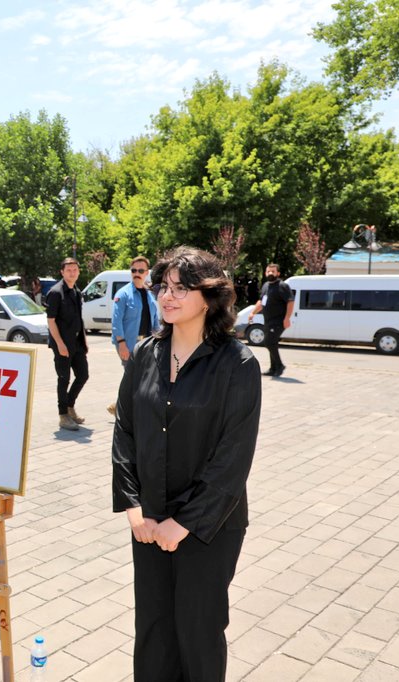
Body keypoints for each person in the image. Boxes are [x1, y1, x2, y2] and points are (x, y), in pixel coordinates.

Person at [112, 246, 261, 682]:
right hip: (149, 518)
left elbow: (234, 456)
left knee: (198, 632)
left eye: (181, 288)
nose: (167, 296)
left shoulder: (238, 364)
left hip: (210, 526)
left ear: (209, 297)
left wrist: (188, 522)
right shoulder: (144, 353)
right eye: (163, 287)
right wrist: (133, 505)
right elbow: (125, 429)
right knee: (153, 630)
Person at [108, 256, 160, 415]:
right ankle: (124, 408)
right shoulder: (123, 294)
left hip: (148, 343)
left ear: (146, 273)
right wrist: (121, 343)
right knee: (134, 376)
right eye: (133, 270)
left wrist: (159, 338)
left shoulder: (150, 295)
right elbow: (116, 321)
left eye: (140, 270)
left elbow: (155, 319)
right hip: (129, 344)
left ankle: (119, 405)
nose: (136, 273)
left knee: (141, 377)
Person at [45, 257, 89, 431]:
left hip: (77, 343)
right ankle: (63, 416)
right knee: (64, 379)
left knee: (83, 375)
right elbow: (51, 321)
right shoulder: (56, 292)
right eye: (69, 270)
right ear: (62, 272)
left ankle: (70, 406)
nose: (72, 272)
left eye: (75, 270)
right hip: (62, 344)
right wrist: (60, 344)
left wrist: (84, 341)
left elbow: (79, 318)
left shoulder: (77, 292)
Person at [247, 263, 293, 376]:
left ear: (278, 273)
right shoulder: (266, 286)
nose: (270, 273)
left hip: (278, 321)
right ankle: (273, 369)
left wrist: (287, 318)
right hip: (268, 320)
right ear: (265, 273)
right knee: (270, 342)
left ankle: (279, 365)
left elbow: (290, 302)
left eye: (273, 271)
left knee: (269, 342)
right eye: (268, 271)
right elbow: (261, 302)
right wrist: (253, 312)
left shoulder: (282, 286)